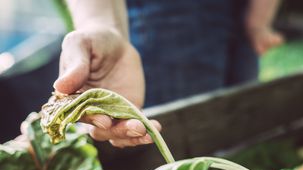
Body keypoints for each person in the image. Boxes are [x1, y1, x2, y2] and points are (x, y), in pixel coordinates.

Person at [54, 0, 282, 148]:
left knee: (241, 136)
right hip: (167, 15)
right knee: (181, 152)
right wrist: (101, 24)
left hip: (239, 10)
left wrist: (259, 17)